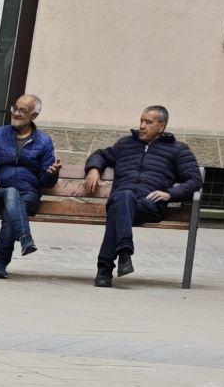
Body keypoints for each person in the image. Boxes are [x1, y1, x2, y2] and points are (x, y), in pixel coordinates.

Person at [80, 103, 205, 283]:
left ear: (161, 126)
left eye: (148, 122)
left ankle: (105, 270)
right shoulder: (125, 144)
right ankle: (123, 252)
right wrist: (93, 169)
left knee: (119, 208)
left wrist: (170, 194)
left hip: (150, 205)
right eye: (141, 121)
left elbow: (194, 180)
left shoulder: (178, 150)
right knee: (124, 197)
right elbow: (101, 155)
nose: (142, 126)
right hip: (122, 200)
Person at [0, 91, 58, 274]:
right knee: (10, 192)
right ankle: (25, 238)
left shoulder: (43, 141)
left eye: (23, 110)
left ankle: (0, 265)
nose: (16, 113)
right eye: (15, 108)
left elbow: (45, 181)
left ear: (34, 115)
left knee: (11, 211)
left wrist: (52, 173)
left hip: (28, 196)